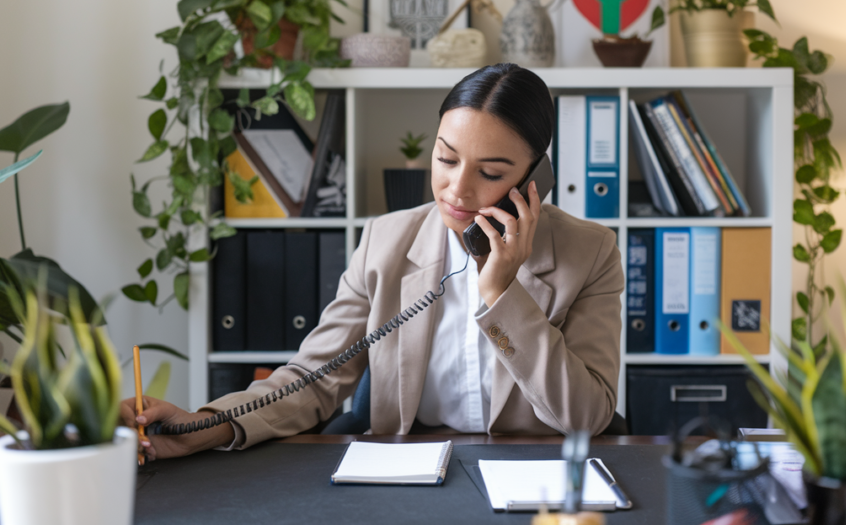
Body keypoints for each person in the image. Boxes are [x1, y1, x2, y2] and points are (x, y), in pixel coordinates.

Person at [122, 63, 625, 460]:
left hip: (533, 482)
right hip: (408, 470)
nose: (457, 188)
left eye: (490, 172)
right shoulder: (386, 242)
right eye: (446, 159)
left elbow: (588, 416)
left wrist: (500, 292)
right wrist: (203, 427)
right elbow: (313, 378)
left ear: (533, 181)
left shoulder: (591, 252)